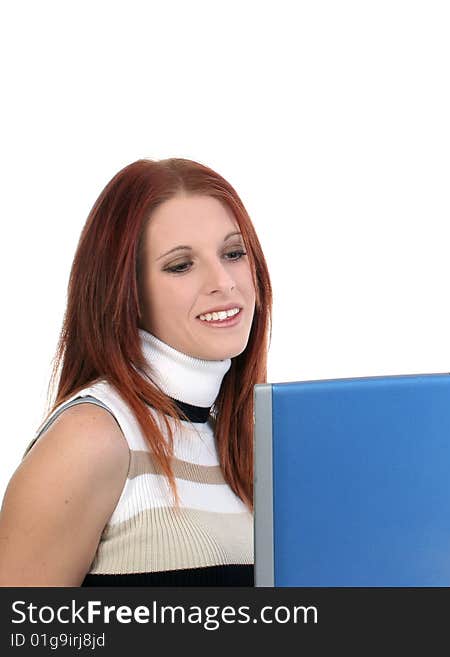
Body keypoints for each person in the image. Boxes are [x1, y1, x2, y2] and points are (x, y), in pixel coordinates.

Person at [0, 158, 272, 586]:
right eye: (181, 265)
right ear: (127, 292)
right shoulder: (93, 437)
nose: (224, 281)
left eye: (233, 253)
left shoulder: (241, 443)